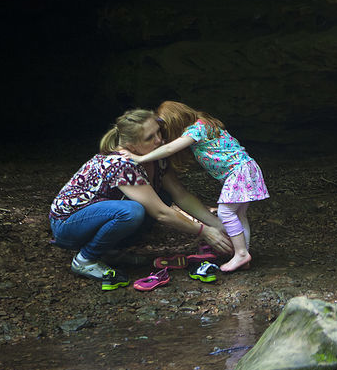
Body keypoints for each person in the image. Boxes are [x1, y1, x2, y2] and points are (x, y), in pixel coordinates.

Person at [50, 109, 231, 288]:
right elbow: (161, 213)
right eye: (149, 137)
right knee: (132, 211)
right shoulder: (121, 164)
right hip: (68, 225)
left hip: (97, 217)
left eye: (158, 132)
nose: (159, 139)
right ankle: (85, 259)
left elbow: (180, 194)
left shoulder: (156, 158)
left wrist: (216, 224)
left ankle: (109, 251)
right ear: (132, 145)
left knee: (162, 197)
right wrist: (205, 232)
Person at [125, 101, 267, 273]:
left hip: (238, 172)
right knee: (238, 214)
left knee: (226, 212)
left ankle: (241, 253)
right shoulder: (205, 122)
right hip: (245, 168)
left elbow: (170, 148)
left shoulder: (196, 129)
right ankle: (242, 254)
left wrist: (140, 159)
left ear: (175, 120)